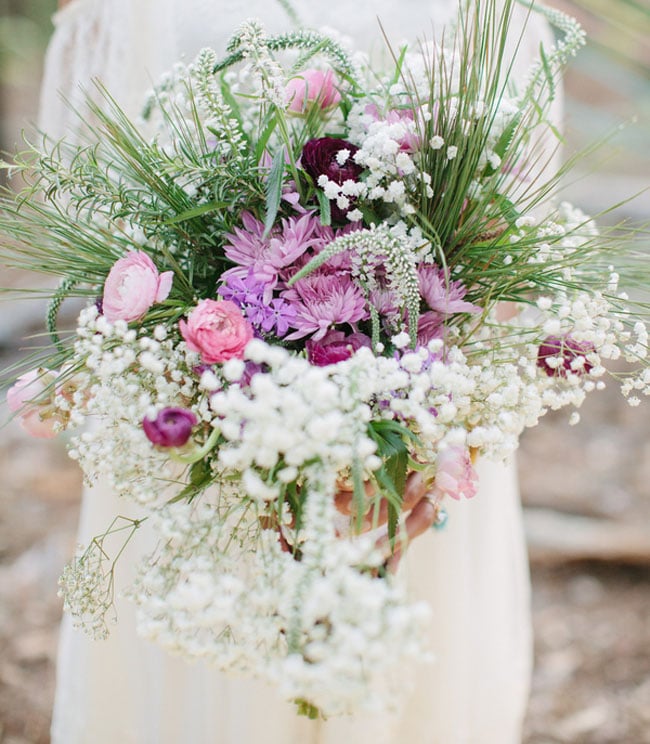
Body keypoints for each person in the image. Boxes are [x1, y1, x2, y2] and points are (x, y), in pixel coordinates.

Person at [42, 1, 557, 741]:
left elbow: (516, 228)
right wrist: (216, 397)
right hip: (199, 421)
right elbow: (86, 206)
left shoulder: (502, 18)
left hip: (424, 416)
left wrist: (430, 438)